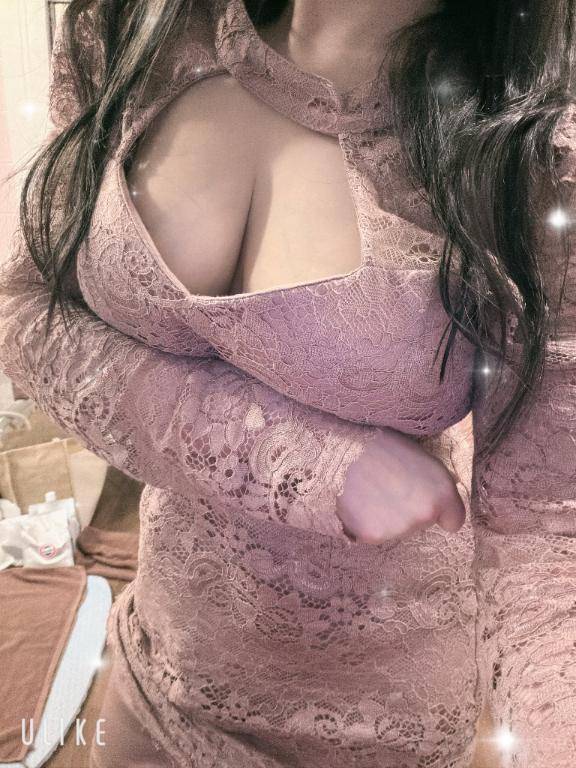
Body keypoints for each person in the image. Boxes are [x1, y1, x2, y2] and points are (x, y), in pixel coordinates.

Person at [0, 0, 574, 766]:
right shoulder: (133, 25)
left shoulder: (534, 153)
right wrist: (311, 465)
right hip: (160, 667)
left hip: (377, 729)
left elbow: (546, 539)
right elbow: (25, 311)